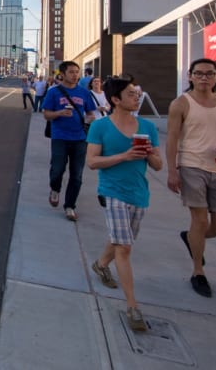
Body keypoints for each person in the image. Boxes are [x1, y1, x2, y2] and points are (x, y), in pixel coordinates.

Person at [87, 77, 163, 332]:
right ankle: (133, 306)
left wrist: (151, 153)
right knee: (125, 247)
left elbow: (158, 165)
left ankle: (100, 264)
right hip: (111, 191)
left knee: (121, 239)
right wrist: (124, 155)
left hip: (139, 193)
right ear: (115, 100)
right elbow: (93, 162)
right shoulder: (100, 127)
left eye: (137, 93)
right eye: (131, 93)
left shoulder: (148, 127)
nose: (137, 97)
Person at [166, 58, 216, 298]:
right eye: (199, 74)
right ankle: (198, 272)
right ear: (190, 76)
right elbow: (172, 139)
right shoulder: (180, 104)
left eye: (209, 74)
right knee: (199, 220)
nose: (204, 78)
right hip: (191, 166)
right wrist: (172, 170)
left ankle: (191, 239)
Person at [43, 61, 97, 221]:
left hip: (80, 138)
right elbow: (46, 114)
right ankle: (55, 189)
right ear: (63, 74)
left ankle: (70, 206)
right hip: (59, 136)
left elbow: (90, 113)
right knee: (57, 169)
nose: (75, 75)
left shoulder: (84, 93)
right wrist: (59, 113)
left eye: (77, 72)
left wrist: (89, 119)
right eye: (72, 72)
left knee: (77, 175)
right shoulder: (54, 92)